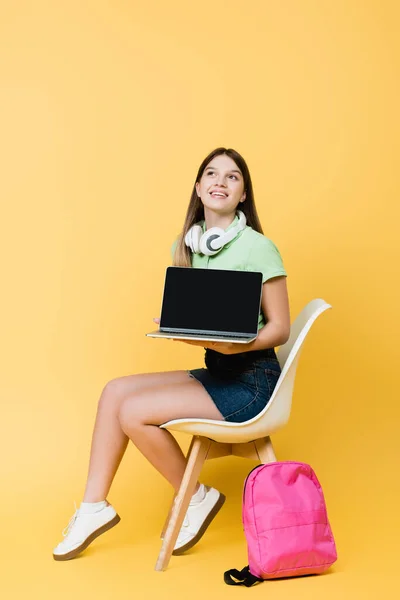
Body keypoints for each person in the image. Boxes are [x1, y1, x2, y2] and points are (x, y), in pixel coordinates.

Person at [53, 147, 290, 561]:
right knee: (114, 392)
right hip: (218, 369)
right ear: (199, 189)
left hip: (252, 382)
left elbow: (280, 327)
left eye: (232, 177)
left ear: (242, 194)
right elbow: (210, 319)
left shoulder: (259, 248)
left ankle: (196, 497)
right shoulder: (188, 246)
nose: (221, 181)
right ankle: (93, 508)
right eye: (212, 174)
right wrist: (180, 328)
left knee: (133, 412)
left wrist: (238, 345)